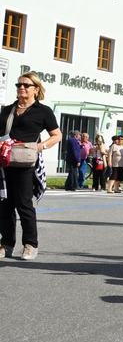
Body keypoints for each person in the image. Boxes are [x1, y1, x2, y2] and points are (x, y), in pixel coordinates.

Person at [0, 72, 61, 260]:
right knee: (4, 205)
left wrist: (40, 147)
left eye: (26, 85)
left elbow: (57, 135)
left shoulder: (42, 111)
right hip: (5, 162)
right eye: (19, 85)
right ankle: (7, 243)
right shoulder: (7, 110)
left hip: (26, 163)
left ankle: (30, 244)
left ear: (36, 88)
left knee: (24, 204)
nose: (21, 88)